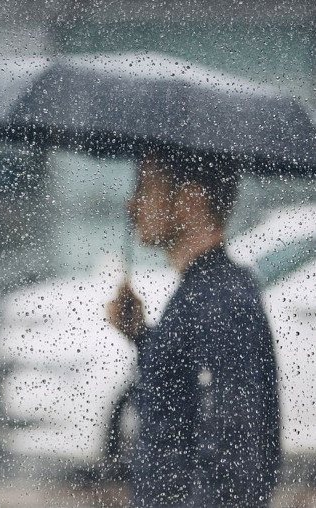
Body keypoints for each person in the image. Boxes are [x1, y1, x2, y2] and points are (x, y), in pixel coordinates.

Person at [107, 147, 281, 506]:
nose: (131, 206)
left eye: (145, 188)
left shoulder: (220, 299)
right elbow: (180, 402)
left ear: (191, 199)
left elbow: (234, 449)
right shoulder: (205, 291)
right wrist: (141, 334)